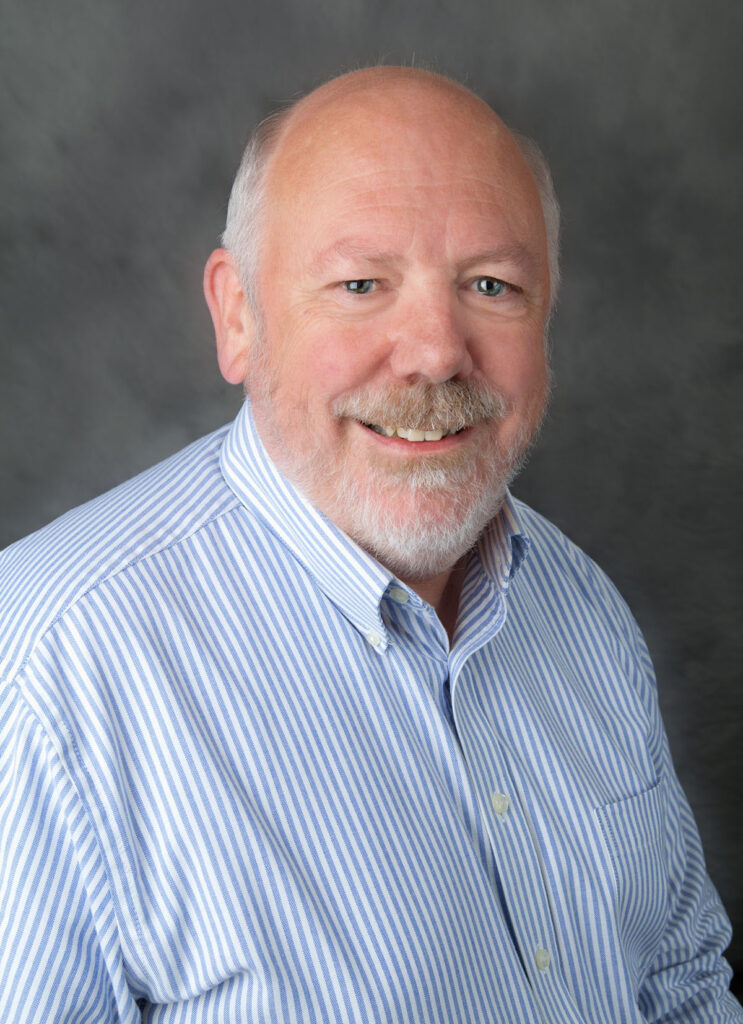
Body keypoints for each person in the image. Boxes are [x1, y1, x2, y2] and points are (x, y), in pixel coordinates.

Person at [0, 66, 739, 1023]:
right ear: (237, 315)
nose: (435, 350)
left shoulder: (580, 606)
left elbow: (679, 981)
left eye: (490, 283)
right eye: (359, 284)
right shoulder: (46, 670)